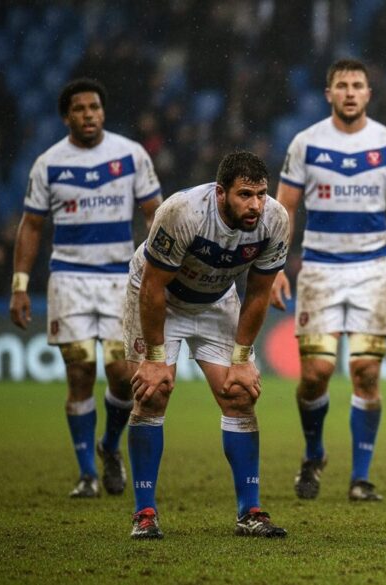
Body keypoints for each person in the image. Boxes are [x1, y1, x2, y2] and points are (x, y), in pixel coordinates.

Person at [270, 59, 386, 503]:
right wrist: (273, 268)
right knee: (316, 374)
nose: (349, 92)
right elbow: (283, 207)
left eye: (357, 85)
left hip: (373, 271)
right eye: (341, 85)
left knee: (365, 373)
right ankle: (314, 452)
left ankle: (360, 478)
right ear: (329, 94)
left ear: (368, 93)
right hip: (319, 270)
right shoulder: (306, 143)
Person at [123, 151, 290, 539]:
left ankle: (250, 512)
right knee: (153, 392)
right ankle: (144, 513)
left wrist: (243, 358)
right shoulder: (182, 213)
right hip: (159, 295)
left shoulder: (275, 220)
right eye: (245, 194)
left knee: (239, 393)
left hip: (215, 299)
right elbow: (152, 286)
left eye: (261, 194)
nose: (255, 205)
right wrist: (154, 358)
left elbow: (259, 293)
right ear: (220, 193)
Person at [9, 78, 161, 498]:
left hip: (119, 279)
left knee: (121, 374)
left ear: (103, 112)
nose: (88, 114)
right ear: (66, 117)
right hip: (69, 280)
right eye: (79, 109)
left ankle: (109, 447)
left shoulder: (130, 155)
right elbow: (32, 225)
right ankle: (86, 475)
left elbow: (156, 214)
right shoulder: (48, 164)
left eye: (94, 107)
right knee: (79, 372)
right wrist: (20, 285)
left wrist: (158, 264)